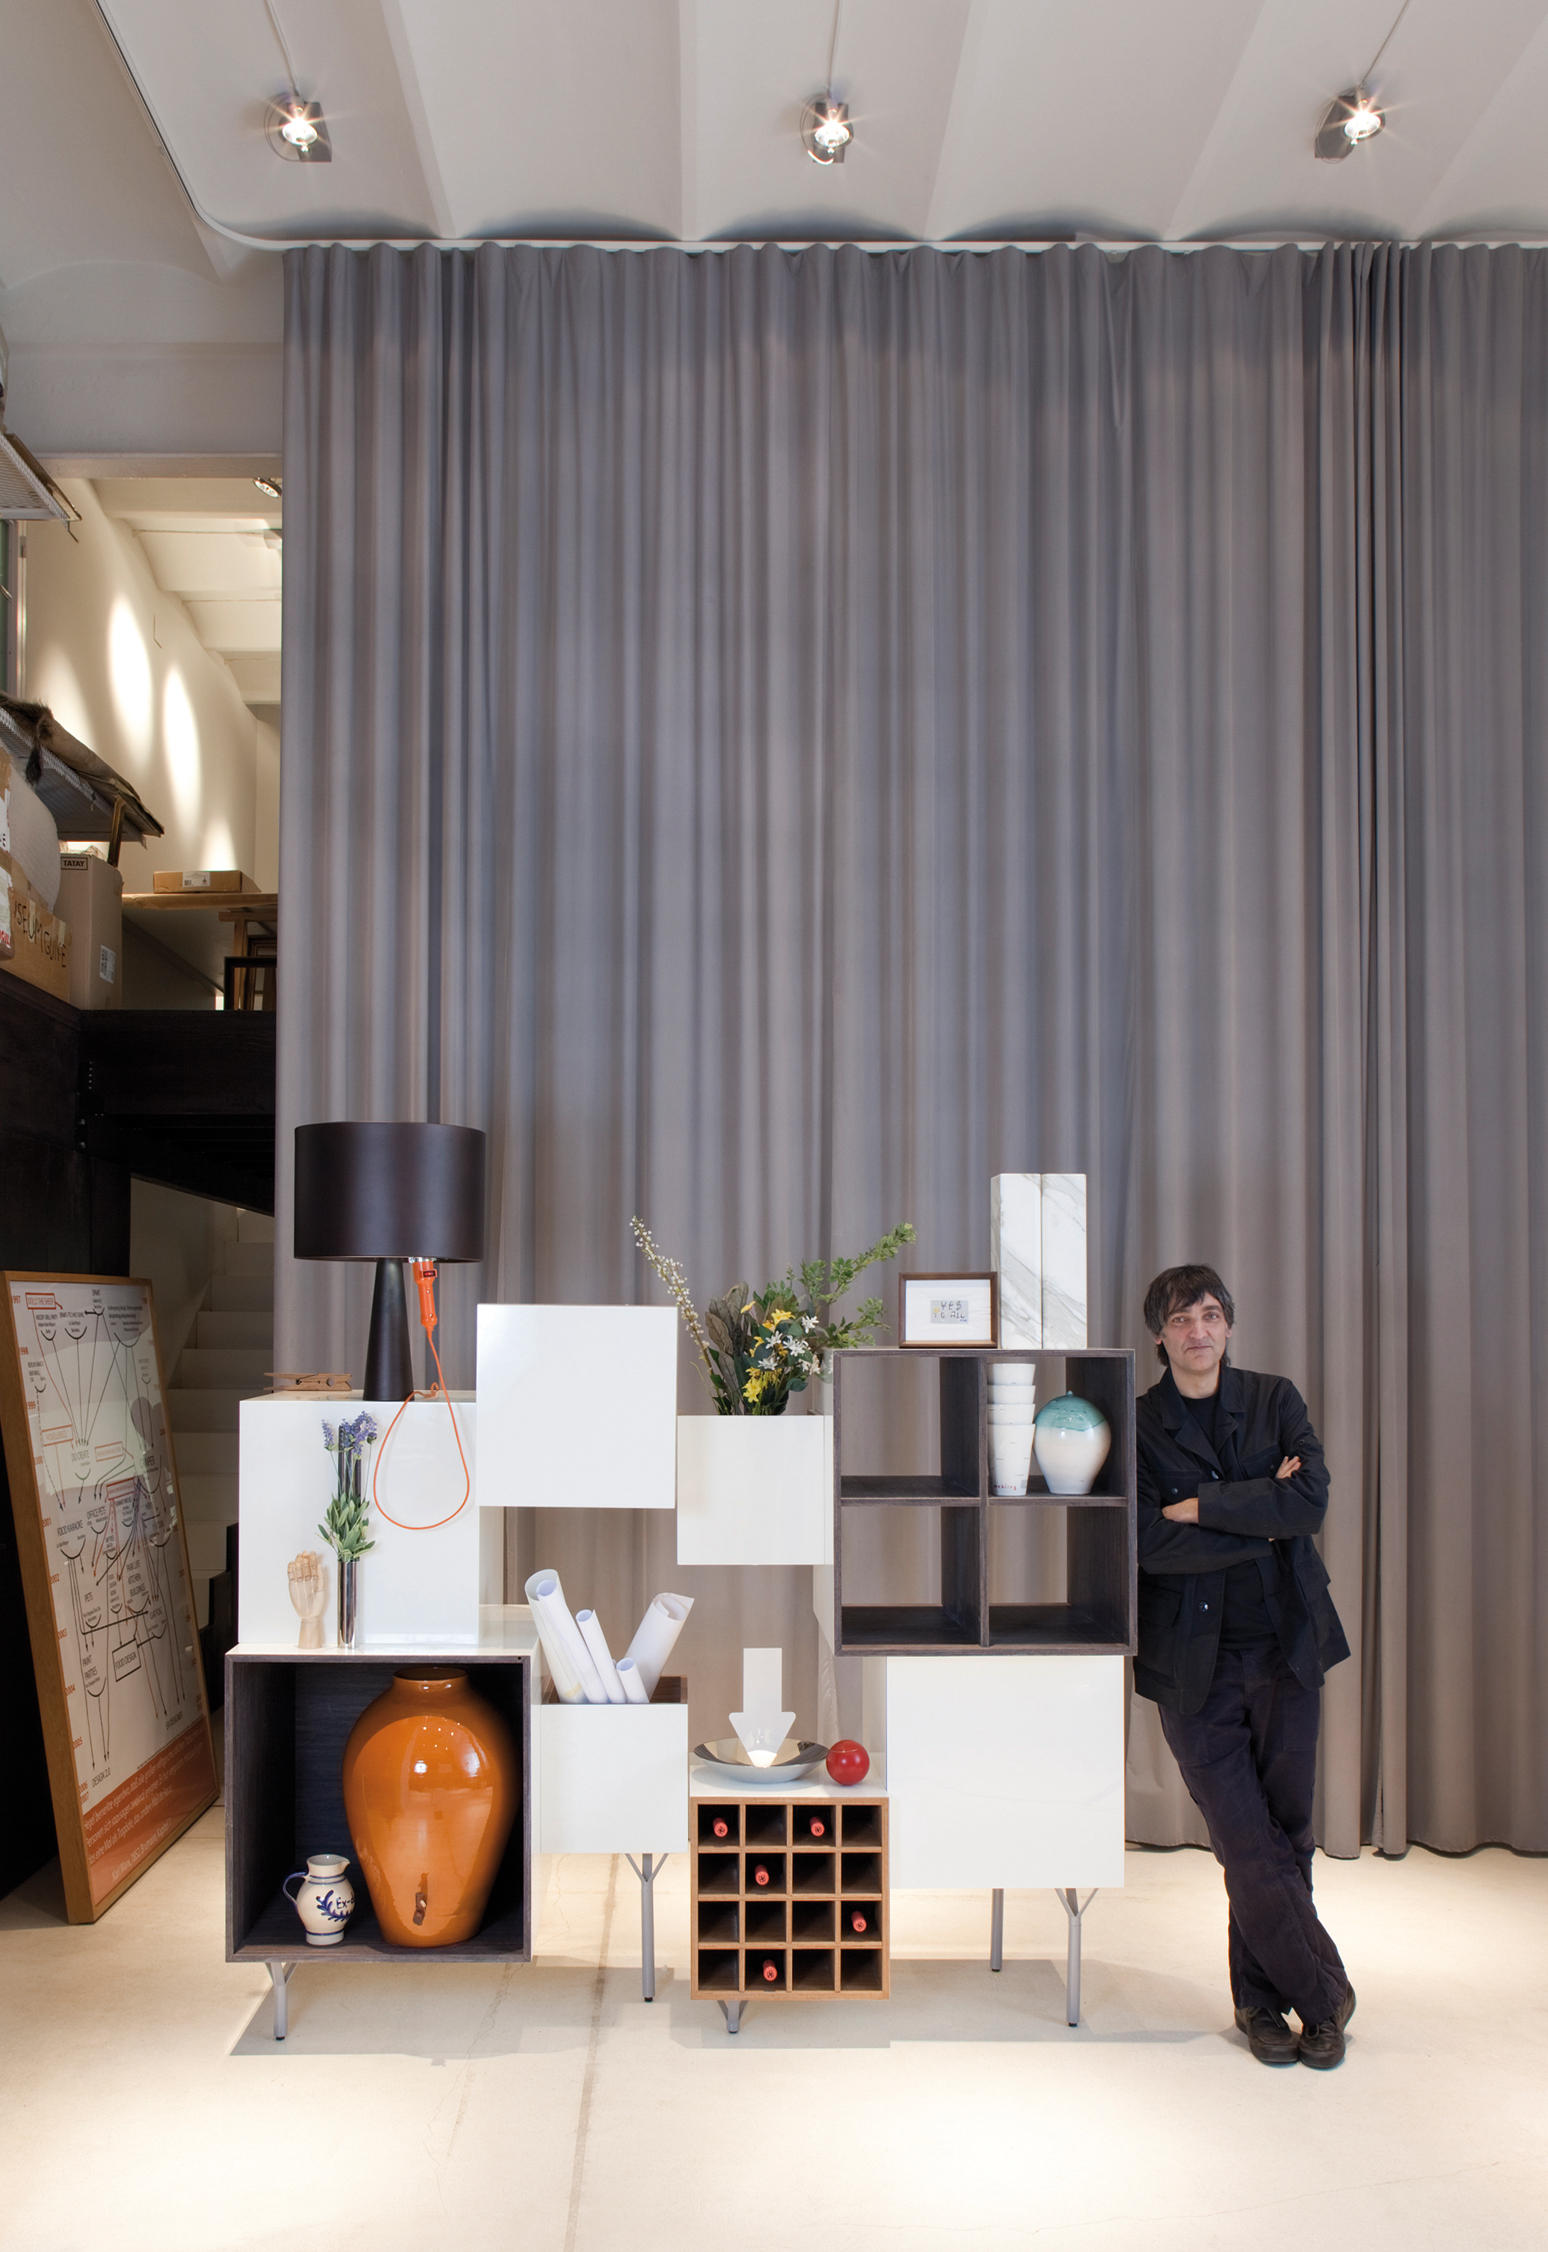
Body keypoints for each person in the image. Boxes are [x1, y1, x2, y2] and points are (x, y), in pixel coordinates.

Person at [1134, 1263, 1355, 2068]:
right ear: (1159, 1337)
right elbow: (1146, 1542)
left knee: (1285, 1833)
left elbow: (1310, 1504)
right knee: (1244, 1838)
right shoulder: (1141, 1422)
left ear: (1228, 1324)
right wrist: (1261, 1514)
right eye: (1180, 1319)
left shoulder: (1274, 1399)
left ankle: (1261, 2004)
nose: (1198, 1331)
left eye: (1210, 1315)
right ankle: (1325, 1996)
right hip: (1193, 1666)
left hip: (1288, 1648)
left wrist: (1202, 1507)